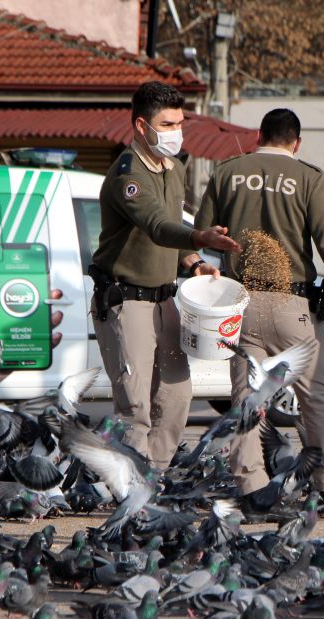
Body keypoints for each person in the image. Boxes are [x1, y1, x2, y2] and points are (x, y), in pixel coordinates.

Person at [194, 108, 324, 509]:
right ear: (297, 142)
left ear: (259, 136)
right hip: (291, 304)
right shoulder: (309, 178)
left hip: (239, 303)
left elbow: (201, 232)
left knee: (247, 399)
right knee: (315, 395)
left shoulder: (227, 173)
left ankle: (253, 489)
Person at [92, 81, 240, 466]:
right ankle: (130, 490)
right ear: (142, 126)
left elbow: (172, 229)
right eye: (167, 124)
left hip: (165, 300)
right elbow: (158, 226)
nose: (176, 132)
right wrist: (199, 236)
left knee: (175, 398)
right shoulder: (128, 175)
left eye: (179, 124)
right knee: (135, 409)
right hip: (126, 302)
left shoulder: (174, 169)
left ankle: (152, 480)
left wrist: (193, 261)